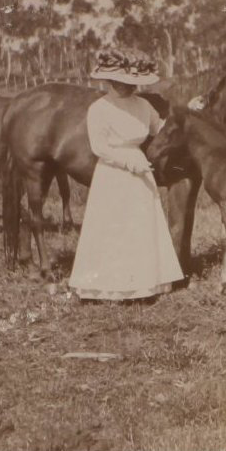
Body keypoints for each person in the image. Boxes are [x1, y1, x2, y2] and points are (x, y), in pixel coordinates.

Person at [69, 47, 184, 300]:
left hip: (140, 168)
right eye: (123, 83)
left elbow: (160, 128)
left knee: (140, 225)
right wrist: (129, 164)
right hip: (113, 171)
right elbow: (99, 147)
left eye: (133, 84)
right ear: (110, 80)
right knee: (113, 225)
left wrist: (188, 112)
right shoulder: (99, 109)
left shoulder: (142, 105)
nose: (128, 88)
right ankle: (110, 286)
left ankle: (144, 285)